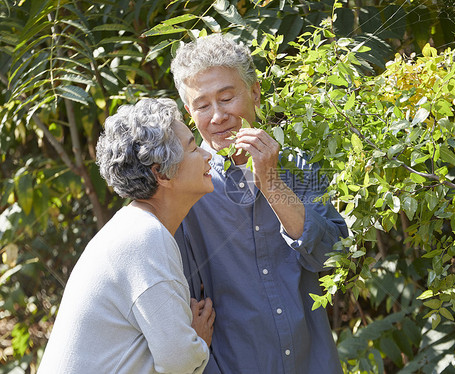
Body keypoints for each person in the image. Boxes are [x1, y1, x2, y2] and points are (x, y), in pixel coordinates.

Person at [171, 33, 348, 373]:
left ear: (254, 93)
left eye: (226, 97)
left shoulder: (298, 164)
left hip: (312, 362)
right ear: (190, 113)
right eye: (203, 105)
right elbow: (185, 301)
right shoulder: (186, 188)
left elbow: (332, 256)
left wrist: (270, 181)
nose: (218, 116)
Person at [38, 98, 216, 374]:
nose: (208, 156)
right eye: (193, 148)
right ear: (162, 174)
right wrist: (199, 342)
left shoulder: (134, 228)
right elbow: (179, 360)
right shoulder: (145, 238)